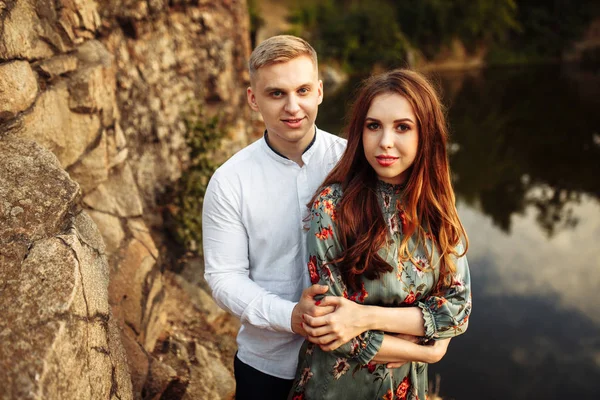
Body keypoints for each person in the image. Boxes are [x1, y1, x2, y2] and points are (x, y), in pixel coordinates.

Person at [288, 69, 472, 400]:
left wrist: (363, 316)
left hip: (406, 390)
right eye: (374, 126)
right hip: (334, 389)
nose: (385, 141)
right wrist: (428, 351)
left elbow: (457, 309)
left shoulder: (437, 209)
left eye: (402, 127)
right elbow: (332, 331)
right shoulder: (331, 207)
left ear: (425, 135)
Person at [202, 35, 346, 400]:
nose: (293, 106)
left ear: (320, 91)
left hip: (349, 362)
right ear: (254, 99)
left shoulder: (353, 163)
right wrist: (290, 316)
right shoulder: (229, 181)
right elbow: (223, 277)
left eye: (302, 90)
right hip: (266, 368)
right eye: (276, 93)